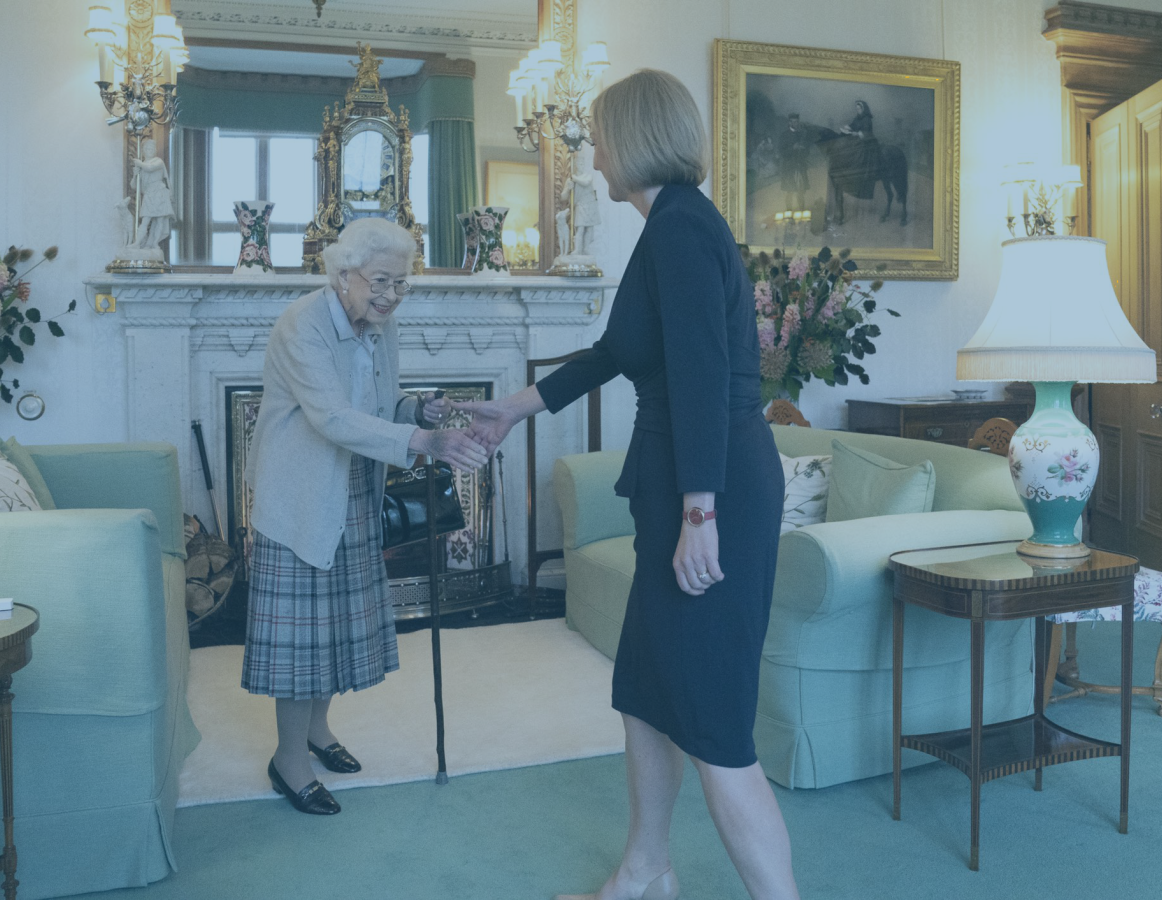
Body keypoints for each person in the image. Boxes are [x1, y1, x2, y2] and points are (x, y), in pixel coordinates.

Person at [459, 70, 799, 900]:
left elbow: (701, 375)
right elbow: (618, 355)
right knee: (645, 692)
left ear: (636, 138)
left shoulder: (682, 229)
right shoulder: (668, 228)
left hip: (712, 490)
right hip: (682, 487)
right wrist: (517, 406)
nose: (593, 152)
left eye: (600, 136)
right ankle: (645, 873)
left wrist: (700, 513)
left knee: (717, 727)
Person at [241, 217, 487, 815]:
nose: (390, 295)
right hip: (300, 497)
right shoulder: (303, 324)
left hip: (353, 489)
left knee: (335, 629)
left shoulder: (381, 327)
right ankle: (289, 761)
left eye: (401, 285)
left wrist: (421, 408)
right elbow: (330, 417)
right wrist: (424, 443)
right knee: (302, 642)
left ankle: (318, 733)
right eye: (381, 281)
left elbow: (378, 404)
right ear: (343, 274)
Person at [131, 138, 174, 250]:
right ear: (143, 151)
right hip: (149, 194)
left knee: (160, 220)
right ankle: (137, 243)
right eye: (147, 148)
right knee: (145, 220)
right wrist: (135, 175)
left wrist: (139, 163)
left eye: (151, 148)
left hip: (159, 193)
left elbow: (150, 168)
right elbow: (134, 186)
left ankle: (154, 243)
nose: (149, 150)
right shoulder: (142, 165)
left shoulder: (158, 161)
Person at [777, 113, 810, 210]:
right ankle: (789, 213)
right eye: (793, 122)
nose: (795, 123)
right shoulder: (784, 135)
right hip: (789, 168)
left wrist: (804, 149)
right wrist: (793, 148)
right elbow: (781, 152)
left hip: (800, 167)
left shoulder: (802, 134)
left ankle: (802, 212)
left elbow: (807, 151)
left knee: (801, 191)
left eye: (797, 121)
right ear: (789, 122)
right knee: (789, 191)